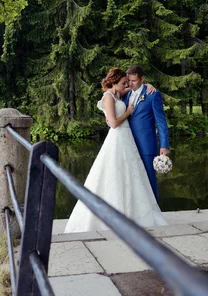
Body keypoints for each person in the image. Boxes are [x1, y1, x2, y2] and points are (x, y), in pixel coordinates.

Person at [64, 68, 167, 233]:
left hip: (134, 141)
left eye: (130, 82)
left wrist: (147, 84)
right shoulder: (112, 96)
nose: (127, 85)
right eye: (124, 83)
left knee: (138, 177)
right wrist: (128, 112)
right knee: (114, 175)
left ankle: (145, 212)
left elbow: (139, 92)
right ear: (114, 82)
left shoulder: (130, 93)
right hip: (119, 138)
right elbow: (112, 122)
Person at [123, 65, 170, 202]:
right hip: (127, 144)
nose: (130, 84)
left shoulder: (152, 95)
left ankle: (154, 213)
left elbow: (161, 122)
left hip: (146, 145)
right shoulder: (125, 94)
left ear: (142, 79)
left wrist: (164, 145)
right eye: (129, 80)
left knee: (149, 179)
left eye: (134, 81)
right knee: (132, 180)